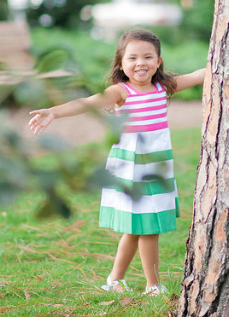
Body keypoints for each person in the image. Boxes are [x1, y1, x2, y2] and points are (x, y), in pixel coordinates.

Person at [28, 29, 206, 296]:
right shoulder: (121, 91)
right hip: (132, 168)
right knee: (148, 229)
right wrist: (53, 112)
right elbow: (88, 102)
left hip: (156, 167)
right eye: (132, 58)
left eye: (148, 57)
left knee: (135, 230)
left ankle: (115, 280)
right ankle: (153, 286)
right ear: (121, 64)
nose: (140, 63)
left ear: (158, 61)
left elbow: (199, 75)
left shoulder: (164, 86)